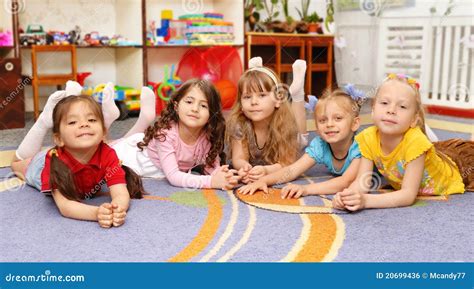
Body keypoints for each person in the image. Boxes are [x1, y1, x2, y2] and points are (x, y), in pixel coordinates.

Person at [334, 73, 473, 211]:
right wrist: (348, 196)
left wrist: (366, 201)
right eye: (384, 103)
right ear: (372, 110)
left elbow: (407, 195)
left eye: (402, 107)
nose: (391, 110)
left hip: (458, 172)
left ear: (413, 120)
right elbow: (362, 181)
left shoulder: (415, 142)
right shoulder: (368, 138)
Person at [11, 86, 145, 228]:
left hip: (61, 154)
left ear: (104, 133)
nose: (84, 124)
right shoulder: (54, 161)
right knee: (16, 164)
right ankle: (44, 121)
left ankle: (68, 106)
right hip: (40, 165)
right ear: (59, 139)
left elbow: (120, 192)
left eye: (92, 120)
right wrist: (96, 213)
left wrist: (117, 210)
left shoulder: (108, 154)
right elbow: (65, 206)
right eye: (73, 122)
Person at [238, 85, 364, 198]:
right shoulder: (320, 145)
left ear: (355, 123)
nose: (329, 124)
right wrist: (264, 181)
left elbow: (346, 181)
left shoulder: (361, 146)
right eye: (323, 120)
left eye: (338, 118)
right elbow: (293, 170)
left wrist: (306, 189)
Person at [226, 58, 309, 184]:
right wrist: (245, 168)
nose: (254, 102)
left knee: (300, 136)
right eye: (247, 97)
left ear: (277, 100)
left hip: (292, 146)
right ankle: (257, 72)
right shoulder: (239, 124)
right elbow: (238, 158)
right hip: (259, 165)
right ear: (241, 105)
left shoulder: (285, 124)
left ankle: (298, 93)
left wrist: (266, 170)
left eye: (262, 95)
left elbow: (287, 163)